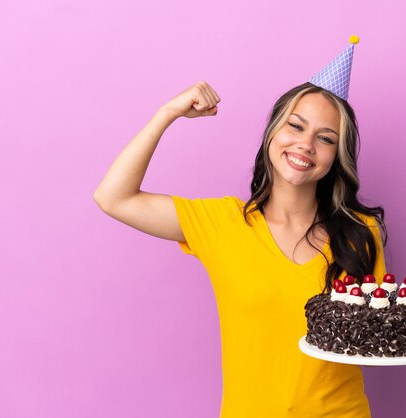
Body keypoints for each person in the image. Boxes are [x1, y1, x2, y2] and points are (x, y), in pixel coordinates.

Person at [94, 38, 388, 418]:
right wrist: (167, 112)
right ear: (272, 134)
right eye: (295, 126)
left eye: (325, 138)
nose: (305, 145)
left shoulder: (361, 232)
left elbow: (379, 335)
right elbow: (113, 197)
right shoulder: (222, 223)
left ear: (336, 156)